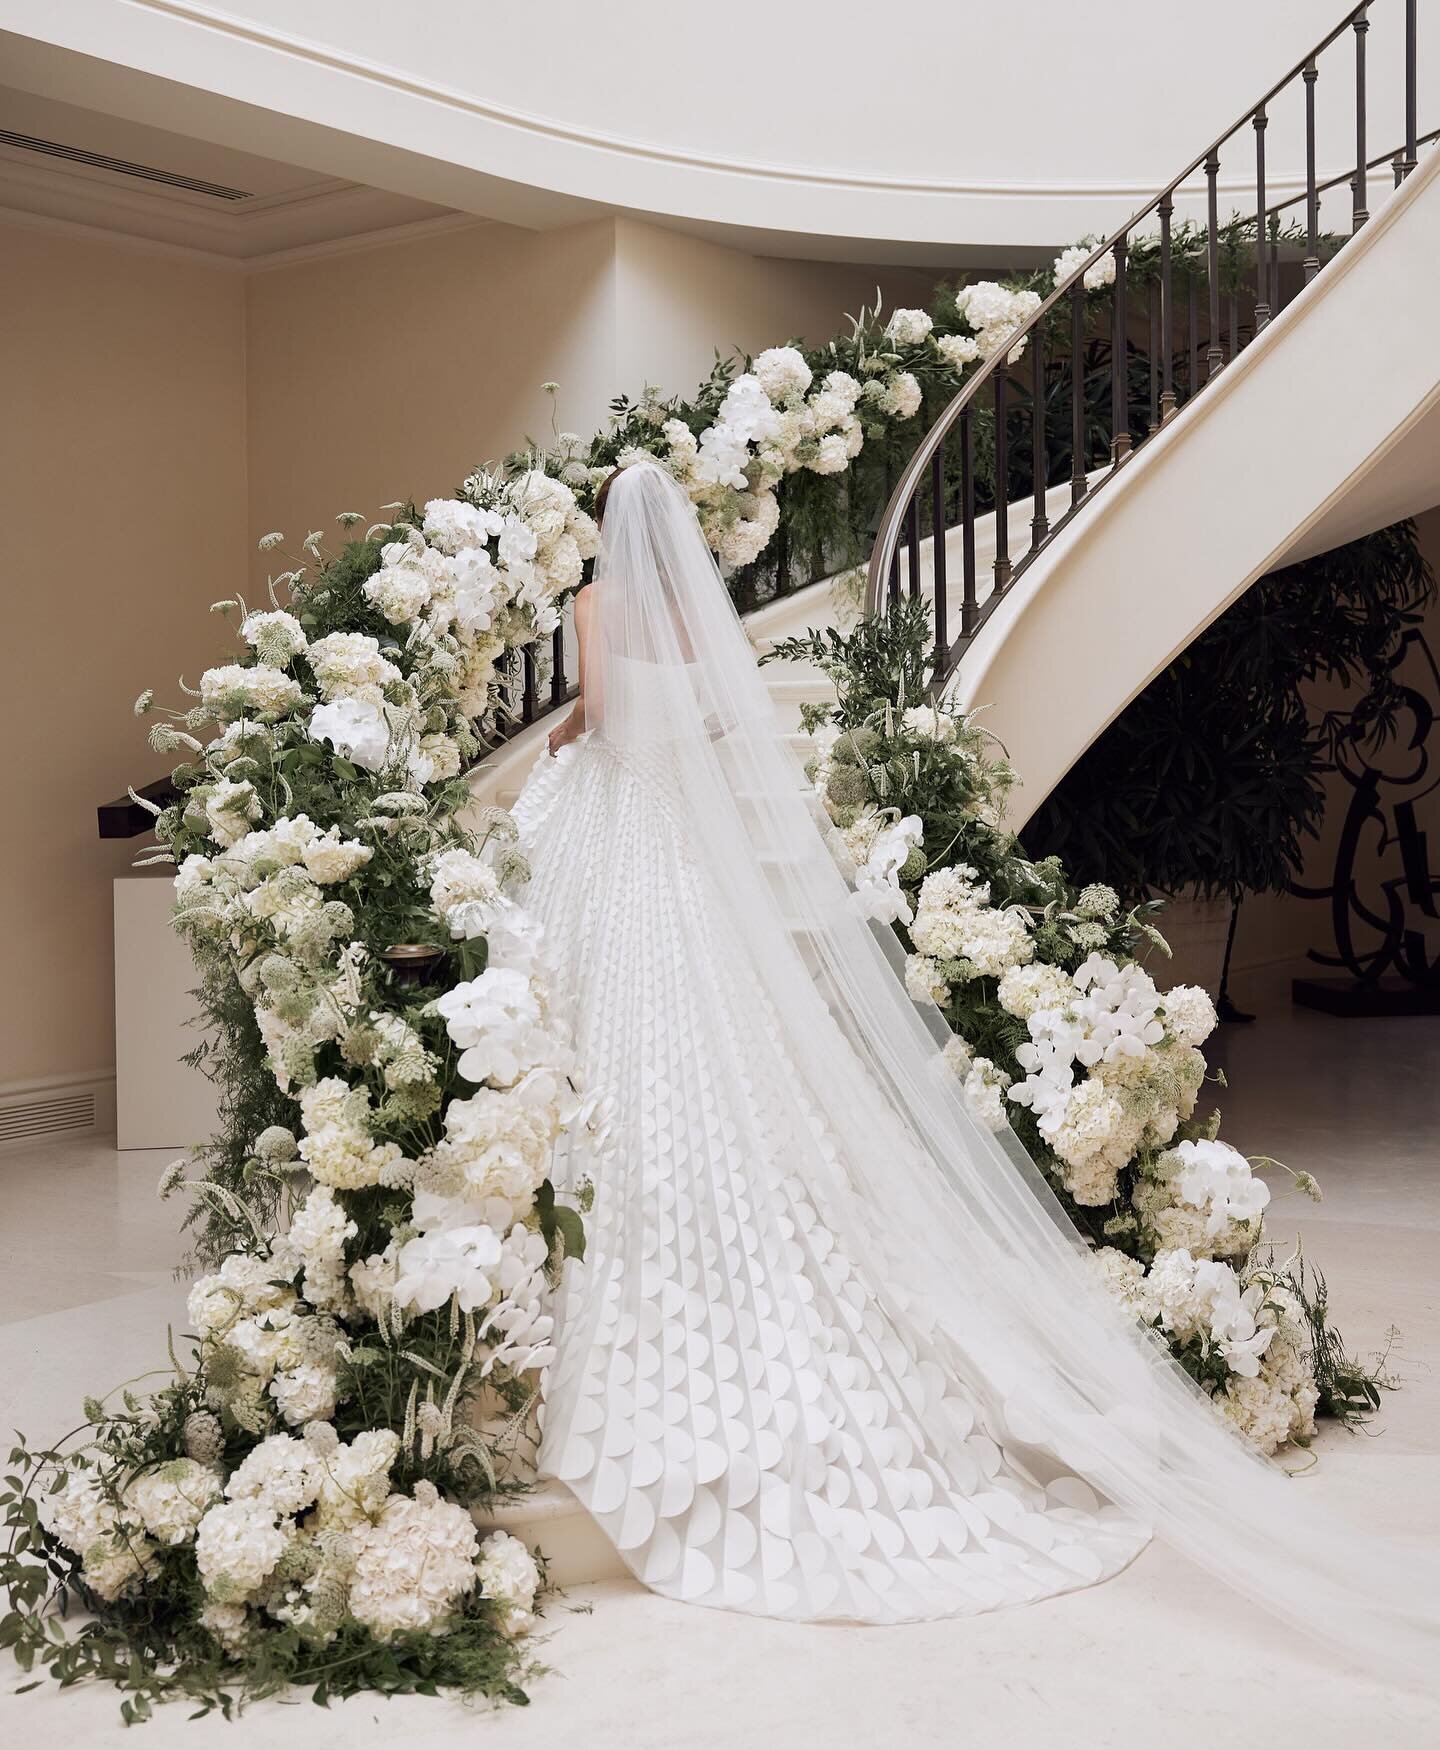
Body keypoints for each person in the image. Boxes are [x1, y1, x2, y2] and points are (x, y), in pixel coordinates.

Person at [511, 462, 1434, 1662]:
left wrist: (563, 749)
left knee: (608, 1028)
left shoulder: (594, 606)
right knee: (742, 1057)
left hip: (619, 823)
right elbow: (724, 719)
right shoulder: (698, 612)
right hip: (678, 836)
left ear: (603, 532)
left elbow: (594, 712)